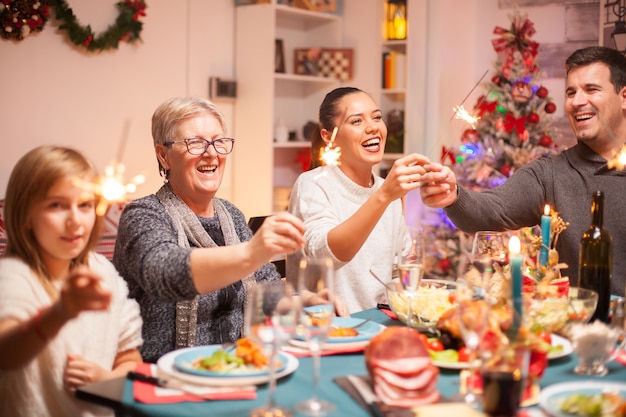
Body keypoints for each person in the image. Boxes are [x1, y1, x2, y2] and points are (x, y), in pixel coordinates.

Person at [420, 46, 626, 297]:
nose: (577, 101)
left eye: (591, 89)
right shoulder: (550, 174)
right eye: (571, 92)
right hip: (578, 330)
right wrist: (453, 195)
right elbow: (492, 210)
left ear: (624, 96)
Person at [113, 96, 306, 363]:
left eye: (218, 141)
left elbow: (267, 290)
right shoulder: (143, 214)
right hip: (167, 380)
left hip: (236, 367)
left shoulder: (231, 215)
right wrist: (252, 251)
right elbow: (167, 272)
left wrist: (305, 301)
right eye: (195, 143)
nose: (211, 153)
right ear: (163, 155)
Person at [0, 146, 143, 417]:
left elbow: (130, 359)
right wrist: (61, 312)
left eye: (85, 205)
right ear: (25, 214)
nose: (75, 221)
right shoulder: (12, 275)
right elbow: (6, 354)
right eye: (56, 205)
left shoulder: (103, 272)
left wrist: (106, 381)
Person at [287, 87, 431, 313]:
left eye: (377, 117)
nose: (373, 127)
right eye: (356, 121)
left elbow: (399, 270)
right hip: (326, 331)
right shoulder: (312, 185)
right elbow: (328, 255)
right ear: (329, 137)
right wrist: (384, 196)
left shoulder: (387, 189)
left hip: (379, 326)